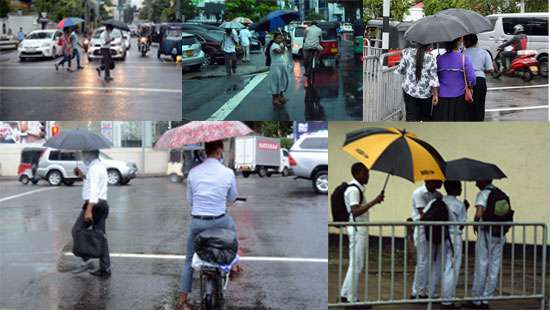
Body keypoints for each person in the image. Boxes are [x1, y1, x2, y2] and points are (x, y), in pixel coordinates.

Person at [175, 141, 239, 310]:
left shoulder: (193, 173)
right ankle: (234, 265)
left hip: (198, 223)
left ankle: (182, 299)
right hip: (220, 220)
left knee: (189, 260)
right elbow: (232, 198)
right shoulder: (228, 173)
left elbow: (190, 200)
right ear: (219, 151)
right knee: (233, 231)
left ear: (205, 151)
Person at [339, 163, 384, 306]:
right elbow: (355, 211)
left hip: (357, 228)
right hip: (358, 229)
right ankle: (352, 300)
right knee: (357, 264)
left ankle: (345, 294)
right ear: (357, 173)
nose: (368, 176)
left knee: (354, 263)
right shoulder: (354, 190)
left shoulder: (356, 189)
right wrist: (374, 202)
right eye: (365, 173)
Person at [465, 180, 509, 309]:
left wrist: (475, 222)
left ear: (483, 181)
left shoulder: (483, 194)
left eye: (477, 181)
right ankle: (486, 299)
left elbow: (479, 212)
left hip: (486, 233)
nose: (476, 183)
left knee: (481, 264)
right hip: (500, 233)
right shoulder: (500, 193)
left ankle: (476, 299)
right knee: (494, 266)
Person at [426, 181, 468, 309]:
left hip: (440, 237)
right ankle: (447, 300)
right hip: (454, 238)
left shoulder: (436, 201)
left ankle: (431, 293)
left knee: (437, 265)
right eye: (459, 186)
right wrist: (465, 208)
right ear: (454, 189)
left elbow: (425, 215)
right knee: (452, 268)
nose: (461, 189)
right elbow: (461, 224)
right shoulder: (459, 205)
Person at [71, 150, 111, 277]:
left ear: (90, 154)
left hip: (93, 205)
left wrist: (88, 209)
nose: (83, 156)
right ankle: (105, 268)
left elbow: (94, 190)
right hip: (102, 204)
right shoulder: (99, 166)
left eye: (84, 154)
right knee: (101, 236)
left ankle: (87, 260)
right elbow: (94, 183)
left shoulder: (94, 168)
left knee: (76, 231)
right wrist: (82, 176)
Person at [411, 180, 443, 299]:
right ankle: (418, 291)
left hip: (434, 230)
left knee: (432, 261)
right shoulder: (418, 193)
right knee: (423, 261)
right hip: (422, 229)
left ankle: (427, 290)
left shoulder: (439, 195)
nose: (441, 182)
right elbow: (423, 215)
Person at [433, 37, 476, 121]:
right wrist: (470, 87)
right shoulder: (464, 58)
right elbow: (472, 79)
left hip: (441, 99)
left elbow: (434, 77)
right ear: (459, 42)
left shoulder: (439, 59)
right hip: (459, 99)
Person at [395, 44, 440, 121]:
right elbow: (433, 79)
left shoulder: (407, 53)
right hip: (426, 93)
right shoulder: (431, 57)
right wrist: (435, 94)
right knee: (425, 117)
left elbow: (400, 69)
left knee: (410, 116)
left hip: (409, 90)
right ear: (428, 45)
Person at [463, 34, 493, 121]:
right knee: (480, 105)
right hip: (480, 81)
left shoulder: (462, 54)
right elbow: (490, 69)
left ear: (465, 42)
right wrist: (481, 70)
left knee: (468, 106)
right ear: (476, 42)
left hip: (466, 82)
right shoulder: (484, 52)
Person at [268, 32, 290, 107]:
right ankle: (275, 98)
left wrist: (284, 44)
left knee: (282, 81)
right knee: (275, 82)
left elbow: (285, 51)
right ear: (274, 39)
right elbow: (280, 52)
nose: (280, 39)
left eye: (281, 38)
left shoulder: (280, 44)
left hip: (283, 65)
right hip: (276, 66)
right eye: (278, 38)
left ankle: (281, 96)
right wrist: (284, 45)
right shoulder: (273, 46)